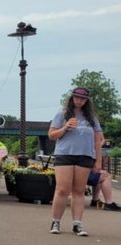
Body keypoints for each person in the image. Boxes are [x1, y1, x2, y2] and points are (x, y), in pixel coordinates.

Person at [47, 86, 103, 236]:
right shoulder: (62, 114)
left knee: (79, 191)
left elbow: (98, 140)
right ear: (72, 98)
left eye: (83, 98)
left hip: (85, 156)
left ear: (87, 100)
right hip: (65, 154)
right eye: (77, 97)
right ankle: (56, 221)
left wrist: (98, 161)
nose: (79, 100)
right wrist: (65, 127)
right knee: (62, 189)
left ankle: (77, 224)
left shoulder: (91, 117)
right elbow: (51, 135)